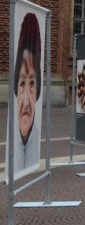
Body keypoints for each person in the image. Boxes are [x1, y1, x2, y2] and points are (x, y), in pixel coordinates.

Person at [13, 12, 42, 174]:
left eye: (32, 83)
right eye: (22, 83)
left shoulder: (36, 139)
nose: (25, 102)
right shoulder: (12, 142)